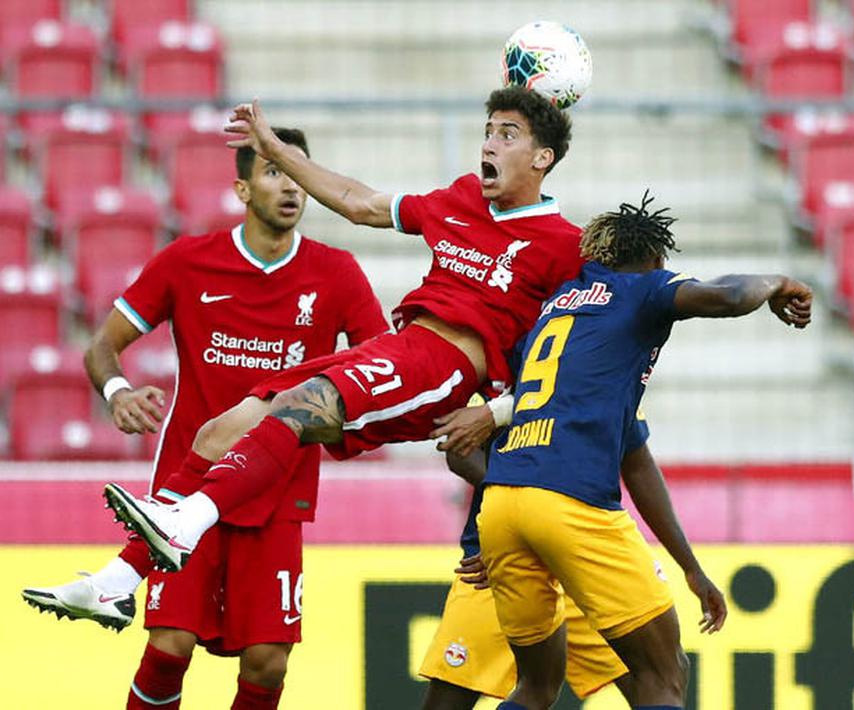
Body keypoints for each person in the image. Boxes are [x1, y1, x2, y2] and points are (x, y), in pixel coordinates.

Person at [98, 86, 587, 575]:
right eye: (487, 132)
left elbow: (576, 360)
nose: (488, 145)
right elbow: (360, 202)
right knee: (223, 427)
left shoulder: (564, 246)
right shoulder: (462, 198)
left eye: (507, 135)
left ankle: (184, 524)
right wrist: (276, 151)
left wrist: (497, 413)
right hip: (400, 348)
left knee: (296, 406)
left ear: (542, 157)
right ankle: (118, 580)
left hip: (446, 368)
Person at [23, 127, 389, 709]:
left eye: (298, 174)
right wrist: (118, 392)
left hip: (277, 488)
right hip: (186, 483)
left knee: (268, 663)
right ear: (242, 188)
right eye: (274, 173)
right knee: (171, 644)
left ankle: (110, 583)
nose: (290, 187)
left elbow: (382, 363)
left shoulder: (336, 273)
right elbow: (101, 347)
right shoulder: (189, 261)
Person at [474, 194, 812, 710]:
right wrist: (778, 283)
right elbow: (726, 296)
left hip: (500, 503)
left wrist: (690, 567)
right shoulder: (641, 290)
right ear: (656, 260)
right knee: (663, 674)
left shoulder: (558, 309)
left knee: (536, 686)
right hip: (571, 500)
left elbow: (635, 459)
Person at [420, 406, 635, 708]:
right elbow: (459, 450)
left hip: (578, 551)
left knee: (654, 674)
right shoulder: (511, 370)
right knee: (463, 697)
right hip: (500, 561)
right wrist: (512, 522)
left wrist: (690, 566)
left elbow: (638, 460)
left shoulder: (603, 375)